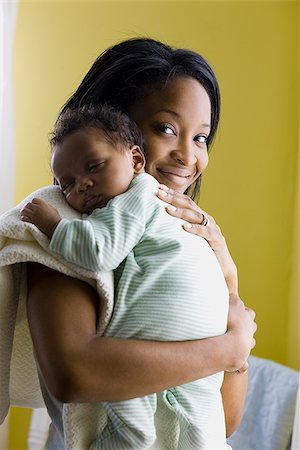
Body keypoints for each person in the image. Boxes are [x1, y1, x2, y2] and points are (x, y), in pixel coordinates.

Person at [25, 38, 257, 449]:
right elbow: (74, 374)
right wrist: (228, 349)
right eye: (166, 128)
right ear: (115, 127)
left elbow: (224, 421)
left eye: (202, 137)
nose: (188, 156)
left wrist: (229, 281)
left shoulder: (186, 239)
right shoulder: (66, 224)